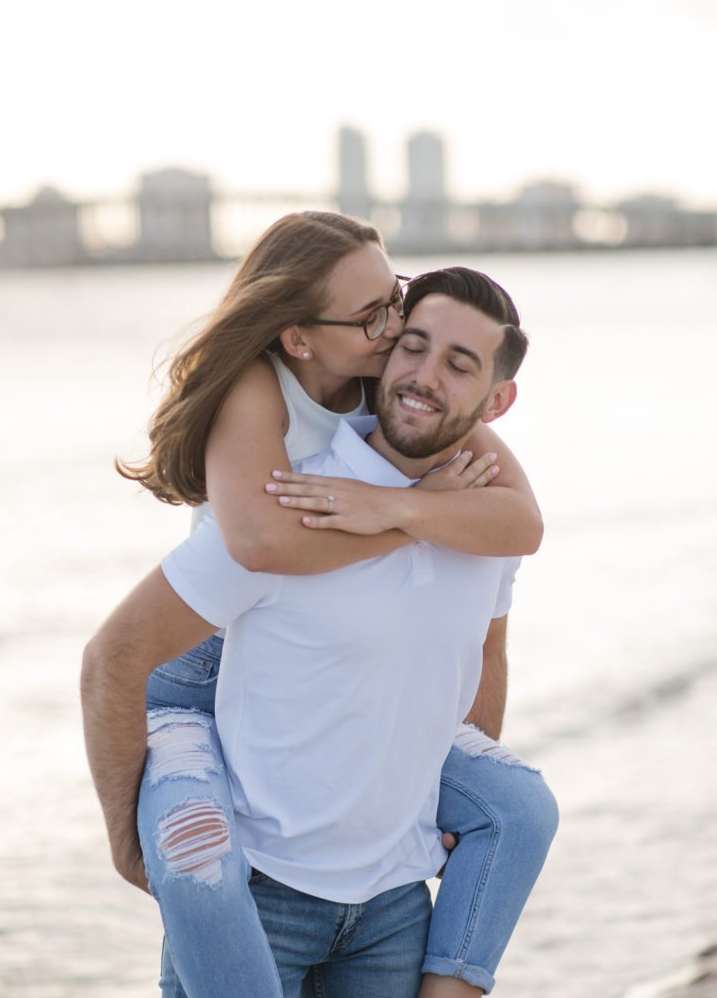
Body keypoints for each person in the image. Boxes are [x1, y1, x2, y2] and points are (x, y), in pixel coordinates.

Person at [86, 213, 557, 995]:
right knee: (198, 863)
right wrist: (388, 515)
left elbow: (521, 536)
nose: (399, 329)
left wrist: (404, 508)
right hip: (198, 663)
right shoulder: (277, 443)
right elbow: (259, 549)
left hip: (383, 891)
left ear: (496, 396)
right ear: (303, 337)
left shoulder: (406, 407)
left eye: (397, 300)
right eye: (386, 321)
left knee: (523, 809)